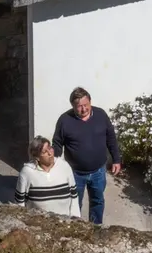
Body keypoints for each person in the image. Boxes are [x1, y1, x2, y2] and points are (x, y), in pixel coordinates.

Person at [52, 86, 121, 225]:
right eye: (79, 106)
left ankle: (96, 227)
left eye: (86, 105)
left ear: (90, 101)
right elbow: (57, 144)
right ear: (73, 106)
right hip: (75, 173)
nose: (83, 109)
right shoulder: (64, 120)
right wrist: (54, 167)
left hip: (98, 171)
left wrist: (116, 159)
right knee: (74, 203)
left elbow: (111, 138)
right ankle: (76, 229)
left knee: (97, 201)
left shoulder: (101, 115)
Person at [14, 136, 81, 218]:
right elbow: (19, 203)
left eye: (50, 148)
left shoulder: (64, 166)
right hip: (38, 223)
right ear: (37, 157)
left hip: (65, 222)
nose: (50, 153)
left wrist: (76, 219)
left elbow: (74, 197)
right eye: (45, 152)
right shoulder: (27, 172)